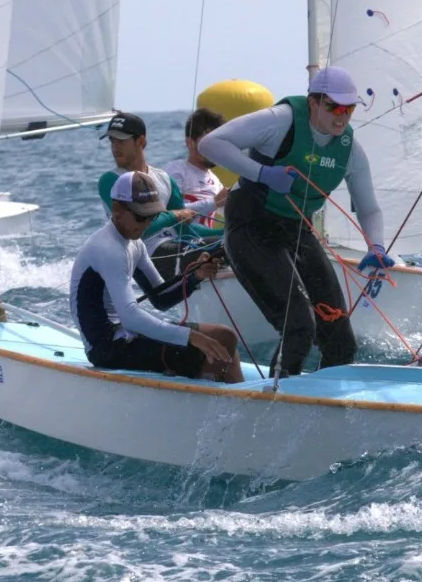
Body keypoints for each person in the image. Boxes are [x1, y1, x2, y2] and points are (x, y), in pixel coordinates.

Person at [197, 65, 393, 377]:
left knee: (341, 340)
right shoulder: (280, 121)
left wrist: (377, 247)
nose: (341, 116)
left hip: (295, 230)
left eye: (349, 108)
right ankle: (277, 397)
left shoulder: (350, 150)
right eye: (333, 107)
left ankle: (326, 408)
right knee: (299, 326)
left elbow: (369, 209)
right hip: (251, 225)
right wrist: (263, 174)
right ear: (313, 102)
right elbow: (209, 144)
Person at [71, 170, 243, 383]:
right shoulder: (109, 249)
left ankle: (243, 400)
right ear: (116, 210)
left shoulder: (135, 243)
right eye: (141, 217)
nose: (146, 224)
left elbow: (160, 298)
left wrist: (195, 276)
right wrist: (191, 337)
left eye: (152, 216)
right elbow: (130, 316)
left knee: (225, 336)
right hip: (107, 346)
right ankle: (214, 404)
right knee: (202, 347)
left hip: (127, 333)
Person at [95, 111, 200, 279]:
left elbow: (185, 231)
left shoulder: (165, 179)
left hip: (173, 247)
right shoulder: (110, 181)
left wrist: (224, 233)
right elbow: (134, 230)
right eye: (112, 140)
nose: (115, 147)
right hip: (140, 257)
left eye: (121, 140)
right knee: (205, 254)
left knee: (222, 247)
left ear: (141, 141)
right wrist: (174, 215)